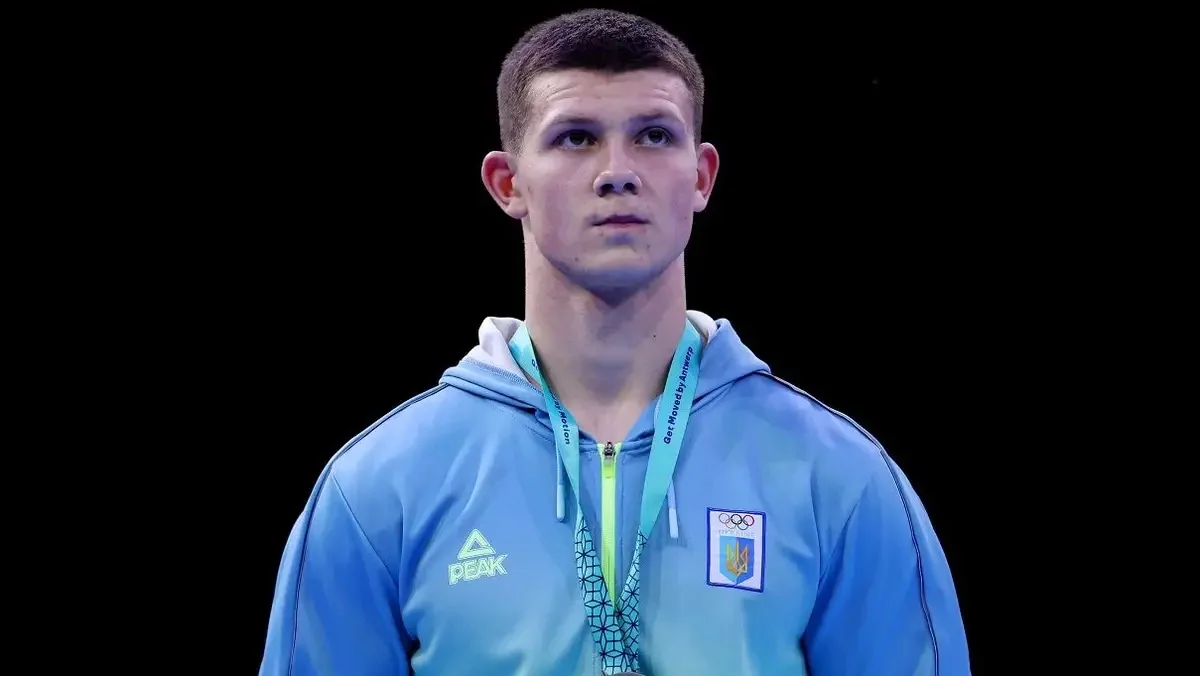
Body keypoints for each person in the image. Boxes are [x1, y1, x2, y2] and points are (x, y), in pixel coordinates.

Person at [259, 8, 970, 675]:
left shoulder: (838, 475)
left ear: (702, 176)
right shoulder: (380, 484)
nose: (618, 173)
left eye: (654, 135)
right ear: (507, 183)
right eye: (576, 137)